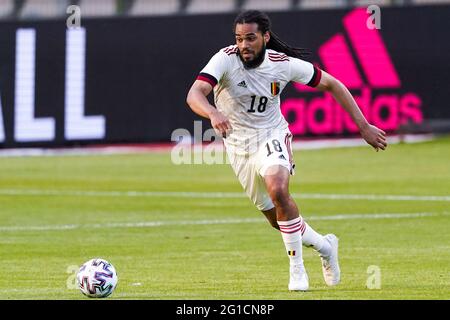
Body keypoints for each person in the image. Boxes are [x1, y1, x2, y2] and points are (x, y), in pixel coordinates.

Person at [186, 10, 387, 291]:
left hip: (272, 135)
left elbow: (333, 83)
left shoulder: (283, 65)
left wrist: (363, 126)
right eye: (239, 38)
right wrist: (211, 112)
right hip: (238, 146)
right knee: (276, 219)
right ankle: (325, 245)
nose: (244, 45)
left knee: (279, 189)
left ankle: (297, 270)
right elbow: (194, 94)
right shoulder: (225, 59)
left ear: (265, 38)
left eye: (250, 38)